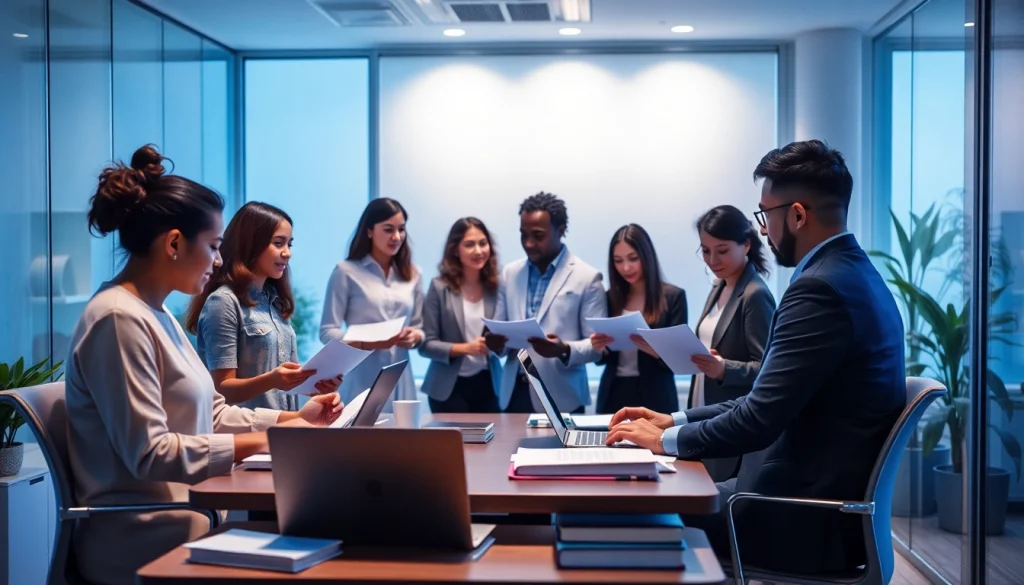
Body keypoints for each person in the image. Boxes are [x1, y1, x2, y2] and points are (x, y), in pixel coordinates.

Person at [605, 140, 906, 575]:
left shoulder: (818, 290)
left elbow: (759, 418)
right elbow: (765, 397)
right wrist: (674, 421)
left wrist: (662, 444)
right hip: (807, 505)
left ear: (797, 215)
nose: (762, 229)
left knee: (628, 507)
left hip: (794, 517)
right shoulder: (856, 275)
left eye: (766, 215)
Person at [65, 145, 343, 585]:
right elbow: (149, 454)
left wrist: (297, 418)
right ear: (174, 243)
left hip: (192, 519)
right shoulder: (118, 319)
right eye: (213, 246)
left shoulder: (157, 315)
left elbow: (212, 414)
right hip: (148, 537)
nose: (218, 260)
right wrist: (268, 439)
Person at [186, 201, 342, 411]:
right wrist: (272, 380)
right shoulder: (223, 302)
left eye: (289, 244)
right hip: (246, 436)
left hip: (283, 430)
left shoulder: (276, 303)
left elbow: (281, 384)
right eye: (279, 243)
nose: (288, 253)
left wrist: (314, 385)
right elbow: (221, 389)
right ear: (251, 244)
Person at [485, 192, 607, 414]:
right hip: (513, 393)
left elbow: (598, 346)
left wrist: (564, 349)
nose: (529, 243)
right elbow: (500, 330)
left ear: (560, 231)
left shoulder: (587, 277)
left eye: (538, 235)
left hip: (562, 397)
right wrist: (495, 343)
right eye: (524, 235)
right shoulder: (509, 273)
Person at [686, 205, 776, 482]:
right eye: (705, 250)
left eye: (722, 250)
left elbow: (767, 370)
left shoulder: (755, 294)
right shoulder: (720, 286)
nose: (712, 259)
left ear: (746, 244)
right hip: (704, 407)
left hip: (731, 417)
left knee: (718, 502)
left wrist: (723, 368)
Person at [320, 198, 424, 406]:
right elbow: (327, 332)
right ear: (369, 231)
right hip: (360, 378)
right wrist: (366, 341)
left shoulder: (414, 274)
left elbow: (419, 326)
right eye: (388, 229)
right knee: (361, 436)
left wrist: (415, 336)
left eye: (401, 229)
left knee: (405, 436)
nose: (396, 237)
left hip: (401, 378)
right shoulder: (345, 272)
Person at [591, 224, 687, 415]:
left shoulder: (673, 297)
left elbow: (681, 360)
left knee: (655, 445)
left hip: (655, 395)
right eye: (618, 261)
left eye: (633, 258)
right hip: (613, 391)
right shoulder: (611, 298)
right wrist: (598, 347)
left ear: (647, 256)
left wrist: (657, 350)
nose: (626, 268)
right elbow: (602, 360)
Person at [419, 217, 503, 413]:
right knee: (453, 444)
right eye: (469, 244)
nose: (478, 251)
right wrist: (466, 348)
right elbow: (426, 345)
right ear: (455, 250)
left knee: (494, 443)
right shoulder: (439, 288)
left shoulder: (497, 288)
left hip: (489, 385)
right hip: (448, 388)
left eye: (483, 243)